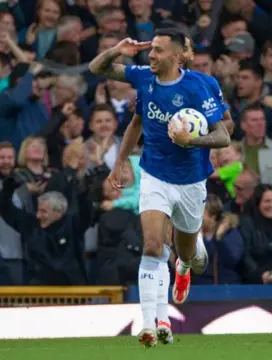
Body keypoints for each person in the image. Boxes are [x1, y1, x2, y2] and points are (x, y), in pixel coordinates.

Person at [88, 28, 230, 347]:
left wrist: (192, 139)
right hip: (155, 174)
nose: (151, 55)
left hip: (191, 181)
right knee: (152, 246)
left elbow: (223, 135)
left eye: (159, 50)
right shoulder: (143, 77)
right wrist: (115, 50)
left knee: (190, 254)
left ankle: (183, 266)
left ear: (177, 56)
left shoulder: (199, 87)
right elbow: (96, 69)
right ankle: (150, 324)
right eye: (151, 49)